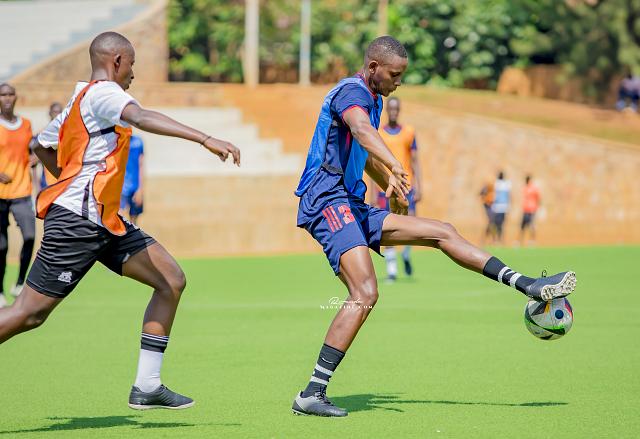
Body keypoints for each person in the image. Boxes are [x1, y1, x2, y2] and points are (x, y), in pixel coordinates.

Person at [291, 36, 576, 417]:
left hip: (351, 204)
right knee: (365, 291)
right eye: (394, 75)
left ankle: (528, 285)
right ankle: (312, 393)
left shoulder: (374, 100)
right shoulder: (351, 93)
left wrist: (391, 184)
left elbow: (364, 154)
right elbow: (360, 131)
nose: (398, 83)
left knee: (442, 231)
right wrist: (395, 165)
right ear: (373, 67)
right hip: (326, 199)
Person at [0, 32, 240, 410]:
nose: (133, 74)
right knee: (28, 314)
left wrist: (68, 178)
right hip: (77, 223)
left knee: (170, 280)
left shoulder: (78, 99)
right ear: (116, 62)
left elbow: (40, 145)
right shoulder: (104, 93)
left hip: (104, 221)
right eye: (131, 65)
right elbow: (141, 117)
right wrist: (204, 138)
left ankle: (147, 385)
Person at [372, 96, 421, 281]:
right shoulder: (378, 133)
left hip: (406, 187)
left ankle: (406, 253)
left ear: (399, 110)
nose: (393, 112)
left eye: (396, 109)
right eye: (390, 109)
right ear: (386, 110)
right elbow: (373, 164)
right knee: (387, 227)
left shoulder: (409, 132)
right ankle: (391, 270)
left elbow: (415, 161)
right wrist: (372, 194)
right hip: (385, 188)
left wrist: (419, 186)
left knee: (411, 225)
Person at [0, 83, 37, 306]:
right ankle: (0, 290)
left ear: (16, 98)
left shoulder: (26, 124)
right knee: (1, 247)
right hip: (0, 195)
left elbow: (33, 151)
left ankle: (20, 282)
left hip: (22, 191)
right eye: (3, 94)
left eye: (10, 94)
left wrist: (36, 158)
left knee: (30, 236)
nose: (7, 98)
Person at [35, 102, 63, 190]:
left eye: (59, 112)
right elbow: (33, 160)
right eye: (55, 112)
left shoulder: (67, 134)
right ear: (50, 113)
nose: (57, 115)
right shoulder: (42, 135)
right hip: (47, 181)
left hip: (63, 179)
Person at [120, 133, 144, 225]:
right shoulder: (117, 142)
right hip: (120, 188)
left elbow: (141, 166)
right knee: (120, 220)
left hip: (135, 187)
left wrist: (140, 189)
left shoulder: (138, 142)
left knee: (134, 223)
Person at [519, 175, 540, 246]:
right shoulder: (525, 188)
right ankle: (520, 241)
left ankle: (532, 240)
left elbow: (538, 198)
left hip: (532, 209)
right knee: (522, 226)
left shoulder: (534, 188)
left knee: (532, 226)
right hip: (525, 209)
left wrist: (537, 207)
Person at [491, 171, 511, 244]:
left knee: (495, 224)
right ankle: (499, 239)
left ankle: (495, 239)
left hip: (497, 207)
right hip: (504, 207)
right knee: (501, 225)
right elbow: (509, 196)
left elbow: (494, 196)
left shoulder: (496, 183)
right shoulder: (507, 184)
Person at [479, 178, 495, 245]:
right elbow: (480, 194)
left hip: (491, 206)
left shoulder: (491, 190)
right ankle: (491, 239)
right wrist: (485, 200)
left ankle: (492, 239)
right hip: (488, 206)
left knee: (491, 223)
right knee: (491, 222)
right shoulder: (486, 189)